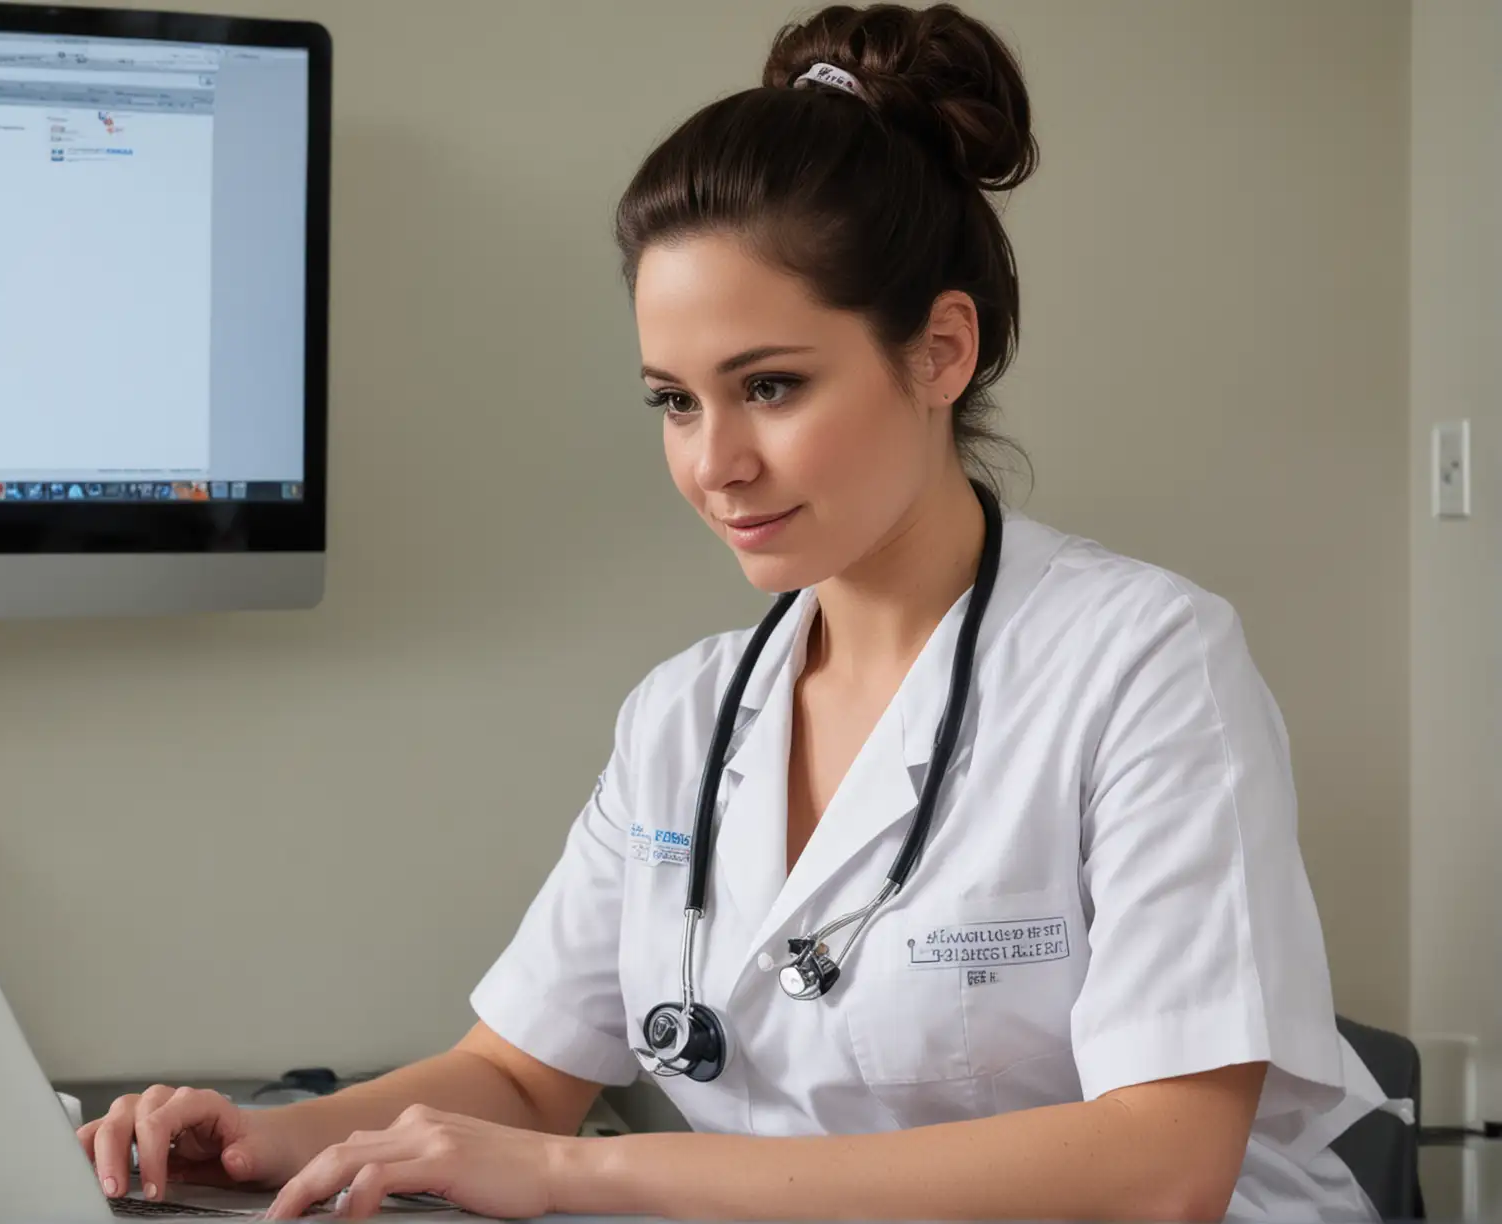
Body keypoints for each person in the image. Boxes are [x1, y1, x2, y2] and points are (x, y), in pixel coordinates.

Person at [76, 4, 1394, 1219]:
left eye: (769, 386)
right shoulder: (688, 716)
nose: (714, 464)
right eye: (675, 400)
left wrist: (577, 1176)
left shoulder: (1144, 663)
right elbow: (522, 1075)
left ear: (944, 349)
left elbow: (1159, 1169)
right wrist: (266, 1137)